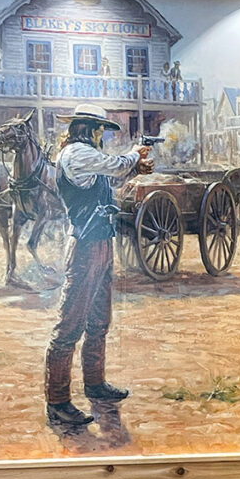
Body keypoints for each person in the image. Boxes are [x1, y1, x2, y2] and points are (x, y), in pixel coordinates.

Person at [45, 103, 154, 426]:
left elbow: (111, 179)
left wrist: (134, 167)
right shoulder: (77, 153)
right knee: (69, 327)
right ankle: (57, 400)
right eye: (99, 130)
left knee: (98, 321)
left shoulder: (85, 157)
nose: (101, 136)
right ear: (88, 130)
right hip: (85, 249)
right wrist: (135, 156)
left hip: (101, 244)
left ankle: (94, 383)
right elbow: (117, 165)